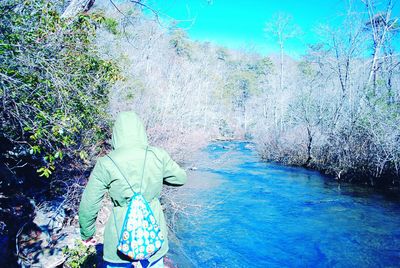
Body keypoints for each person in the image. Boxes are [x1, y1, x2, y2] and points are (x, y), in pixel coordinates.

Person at [78, 111, 187, 268]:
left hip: (120, 237)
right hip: (153, 234)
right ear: (141, 131)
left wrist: (87, 234)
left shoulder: (105, 163)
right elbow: (180, 178)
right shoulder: (158, 155)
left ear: (116, 134)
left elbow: (89, 204)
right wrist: (157, 175)